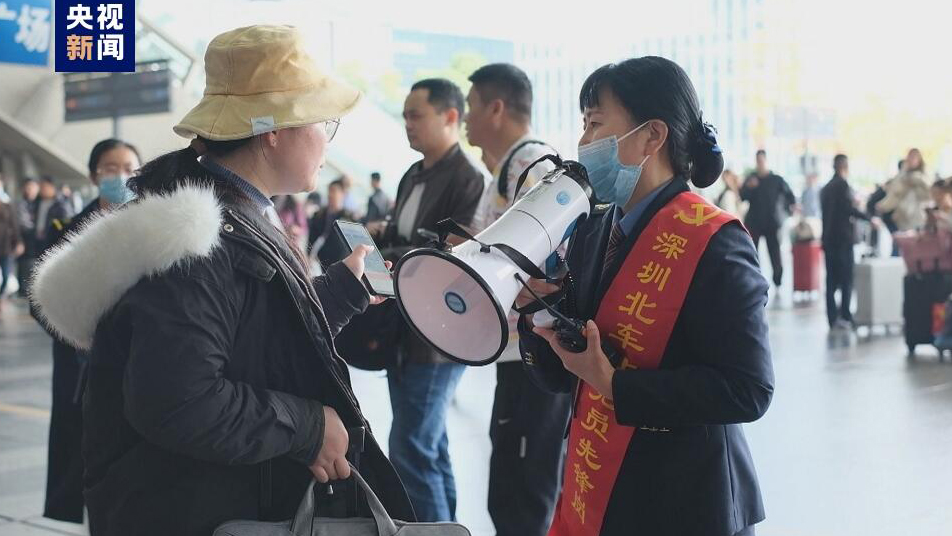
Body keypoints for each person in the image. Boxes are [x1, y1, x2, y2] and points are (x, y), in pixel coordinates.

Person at [30, 25, 413, 536]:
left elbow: (249, 331)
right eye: (323, 121)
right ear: (273, 129)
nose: (327, 138)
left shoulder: (230, 216)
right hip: (188, 513)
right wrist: (306, 427)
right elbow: (177, 400)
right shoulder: (195, 243)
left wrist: (343, 290)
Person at [517, 57, 773, 536]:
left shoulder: (714, 241)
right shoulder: (594, 228)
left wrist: (616, 385)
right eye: (583, 125)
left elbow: (748, 389)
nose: (583, 142)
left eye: (596, 124)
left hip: (685, 503)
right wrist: (536, 314)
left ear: (652, 136)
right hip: (602, 490)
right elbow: (564, 375)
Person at [463, 62, 572, 536]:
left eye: (470, 107)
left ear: (496, 108)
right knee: (512, 481)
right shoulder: (509, 167)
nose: (465, 118)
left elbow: (551, 254)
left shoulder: (532, 165)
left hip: (535, 350)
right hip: (516, 351)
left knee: (526, 490)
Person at [376, 78, 486, 522]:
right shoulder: (413, 174)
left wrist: (390, 252)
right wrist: (384, 238)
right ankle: (445, 528)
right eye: (405, 115)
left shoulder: (468, 178)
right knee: (429, 446)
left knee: (411, 447)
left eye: (416, 115)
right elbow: (408, 239)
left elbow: (452, 254)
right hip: (403, 324)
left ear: (450, 117)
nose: (408, 124)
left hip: (440, 334)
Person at [29, 139, 141, 523]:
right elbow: (39, 299)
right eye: (111, 168)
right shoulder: (69, 231)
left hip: (139, 362)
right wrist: (80, 332)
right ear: (94, 176)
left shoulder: (151, 228)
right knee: (88, 459)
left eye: (130, 168)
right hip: (83, 364)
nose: (121, 176)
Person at [820, 155, 871, 330]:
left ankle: (832, 317)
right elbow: (848, 209)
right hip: (842, 240)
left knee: (831, 280)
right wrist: (868, 218)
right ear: (844, 166)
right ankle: (845, 315)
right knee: (846, 279)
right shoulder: (842, 186)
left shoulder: (826, 188)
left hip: (828, 239)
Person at [740, 150, 796, 289]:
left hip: (772, 222)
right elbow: (742, 196)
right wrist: (749, 187)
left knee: (775, 253)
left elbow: (790, 197)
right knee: (752, 252)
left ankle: (778, 279)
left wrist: (785, 212)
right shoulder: (751, 178)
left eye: (761, 160)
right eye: (757, 161)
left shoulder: (776, 180)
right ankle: (754, 279)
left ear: (765, 160)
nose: (759, 163)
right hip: (754, 222)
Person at [876, 148, 930, 232]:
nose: (910, 160)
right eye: (909, 157)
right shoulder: (902, 176)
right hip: (900, 217)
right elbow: (895, 194)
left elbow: (927, 196)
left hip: (915, 217)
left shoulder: (923, 179)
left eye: (913, 157)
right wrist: (884, 205)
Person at [309, 178, 357, 265]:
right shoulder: (319, 214)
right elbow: (311, 238)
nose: (330, 194)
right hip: (316, 260)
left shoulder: (348, 219)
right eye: (329, 191)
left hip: (335, 263)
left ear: (343, 194)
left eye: (334, 191)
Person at [0, 173, 23, 308]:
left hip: (5, 245)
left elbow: (14, 225)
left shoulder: (8, 202)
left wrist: (18, 242)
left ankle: (1, 296)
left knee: (6, 274)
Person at [34, 176, 72, 255]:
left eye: (43, 187)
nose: (41, 190)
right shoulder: (37, 202)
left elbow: (65, 224)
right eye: (40, 187)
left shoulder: (61, 204)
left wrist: (53, 228)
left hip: (54, 243)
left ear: (52, 187)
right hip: (38, 242)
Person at [15, 178, 39, 297]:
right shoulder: (20, 204)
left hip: (38, 244)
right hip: (25, 242)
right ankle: (23, 292)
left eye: (32, 187)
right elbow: (22, 224)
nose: (30, 190)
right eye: (28, 187)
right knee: (24, 268)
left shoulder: (41, 203)